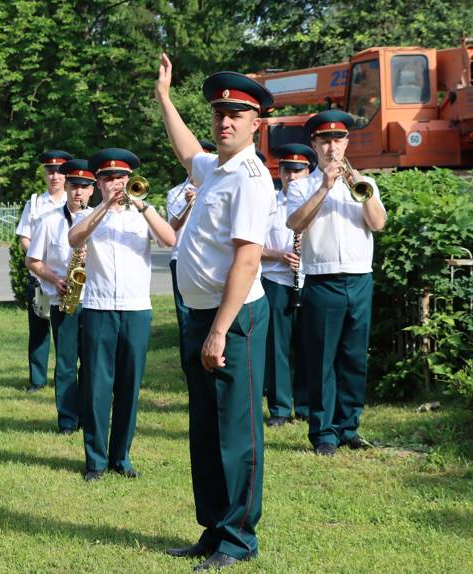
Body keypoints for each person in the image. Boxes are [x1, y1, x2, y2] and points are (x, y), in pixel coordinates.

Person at [155, 53, 276, 571]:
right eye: (218, 114)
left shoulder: (250, 177)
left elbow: (248, 259)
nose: (224, 122)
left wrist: (220, 331)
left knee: (236, 430)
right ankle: (214, 528)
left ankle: (240, 538)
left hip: (234, 320)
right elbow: (188, 153)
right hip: (199, 312)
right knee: (205, 428)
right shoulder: (217, 167)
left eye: (236, 115)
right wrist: (163, 95)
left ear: (255, 124)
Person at [67, 148, 175, 482]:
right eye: (109, 178)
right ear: (98, 183)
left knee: (129, 385)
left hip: (136, 308)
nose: (116, 183)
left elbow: (170, 239)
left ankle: (121, 456)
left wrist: (140, 205)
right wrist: (104, 208)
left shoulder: (143, 212)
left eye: (121, 178)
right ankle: (95, 460)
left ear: (130, 180)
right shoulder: (90, 213)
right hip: (99, 308)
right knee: (98, 385)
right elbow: (74, 239)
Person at [286, 109, 386, 456]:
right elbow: (296, 224)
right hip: (323, 278)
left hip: (359, 277)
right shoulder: (302, 185)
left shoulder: (364, 183)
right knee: (321, 359)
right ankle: (323, 432)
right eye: (325, 140)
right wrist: (326, 187)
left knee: (353, 357)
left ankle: (349, 427)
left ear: (347, 142)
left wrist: (359, 189)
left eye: (338, 140)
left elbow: (378, 223)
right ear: (314, 143)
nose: (332, 147)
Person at [25, 159, 96, 435]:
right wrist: (55, 280)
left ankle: (90, 416)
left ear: (92, 190)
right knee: (66, 363)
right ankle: (67, 419)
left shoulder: (101, 218)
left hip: (94, 302)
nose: (79, 192)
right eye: (74, 186)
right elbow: (33, 260)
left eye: (85, 187)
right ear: (66, 187)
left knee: (91, 364)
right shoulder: (49, 221)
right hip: (62, 300)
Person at [260, 143, 315, 427]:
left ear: (308, 172)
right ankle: (280, 408)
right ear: (278, 172)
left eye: (298, 171)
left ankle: (305, 405)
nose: (292, 177)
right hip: (275, 281)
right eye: (287, 170)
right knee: (276, 347)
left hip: (310, 280)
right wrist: (278, 256)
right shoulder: (267, 201)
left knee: (308, 345)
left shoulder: (317, 199)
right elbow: (249, 246)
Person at [15, 150, 72, 393]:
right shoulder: (35, 202)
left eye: (59, 171)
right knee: (38, 330)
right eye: (50, 171)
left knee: (65, 331)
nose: (55, 176)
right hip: (39, 276)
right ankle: (37, 380)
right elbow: (24, 238)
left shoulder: (75, 201)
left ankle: (65, 375)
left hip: (66, 277)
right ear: (45, 174)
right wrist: (39, 261)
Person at [166, 139, 216, 376]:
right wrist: (188, 205)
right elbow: (171, 230)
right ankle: (191, 367)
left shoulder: (218, 187)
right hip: (181, 258)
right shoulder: (175, 193)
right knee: (185, 316)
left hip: (209, 259)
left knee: (211, 314)